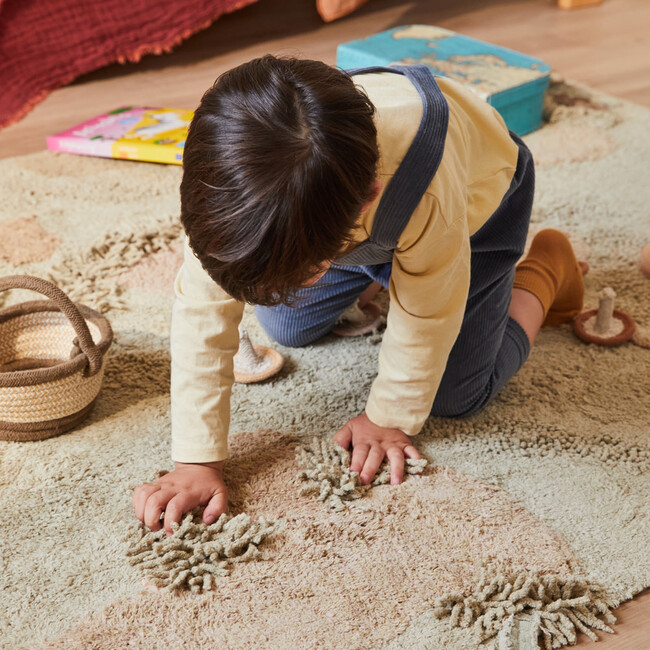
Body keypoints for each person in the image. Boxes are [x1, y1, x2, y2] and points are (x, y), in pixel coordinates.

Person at [132, 55, 586, 537]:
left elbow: (432, 312)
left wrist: (389, 418)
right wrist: (196, 461)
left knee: (456, 394)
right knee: (289, 325)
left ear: (366, 198)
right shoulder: (229, 189)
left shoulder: (425, 191)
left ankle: (545, 271)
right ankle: (387, 270)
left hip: (477, 213)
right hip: (357, 224)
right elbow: (200, 314)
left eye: (305, 267)